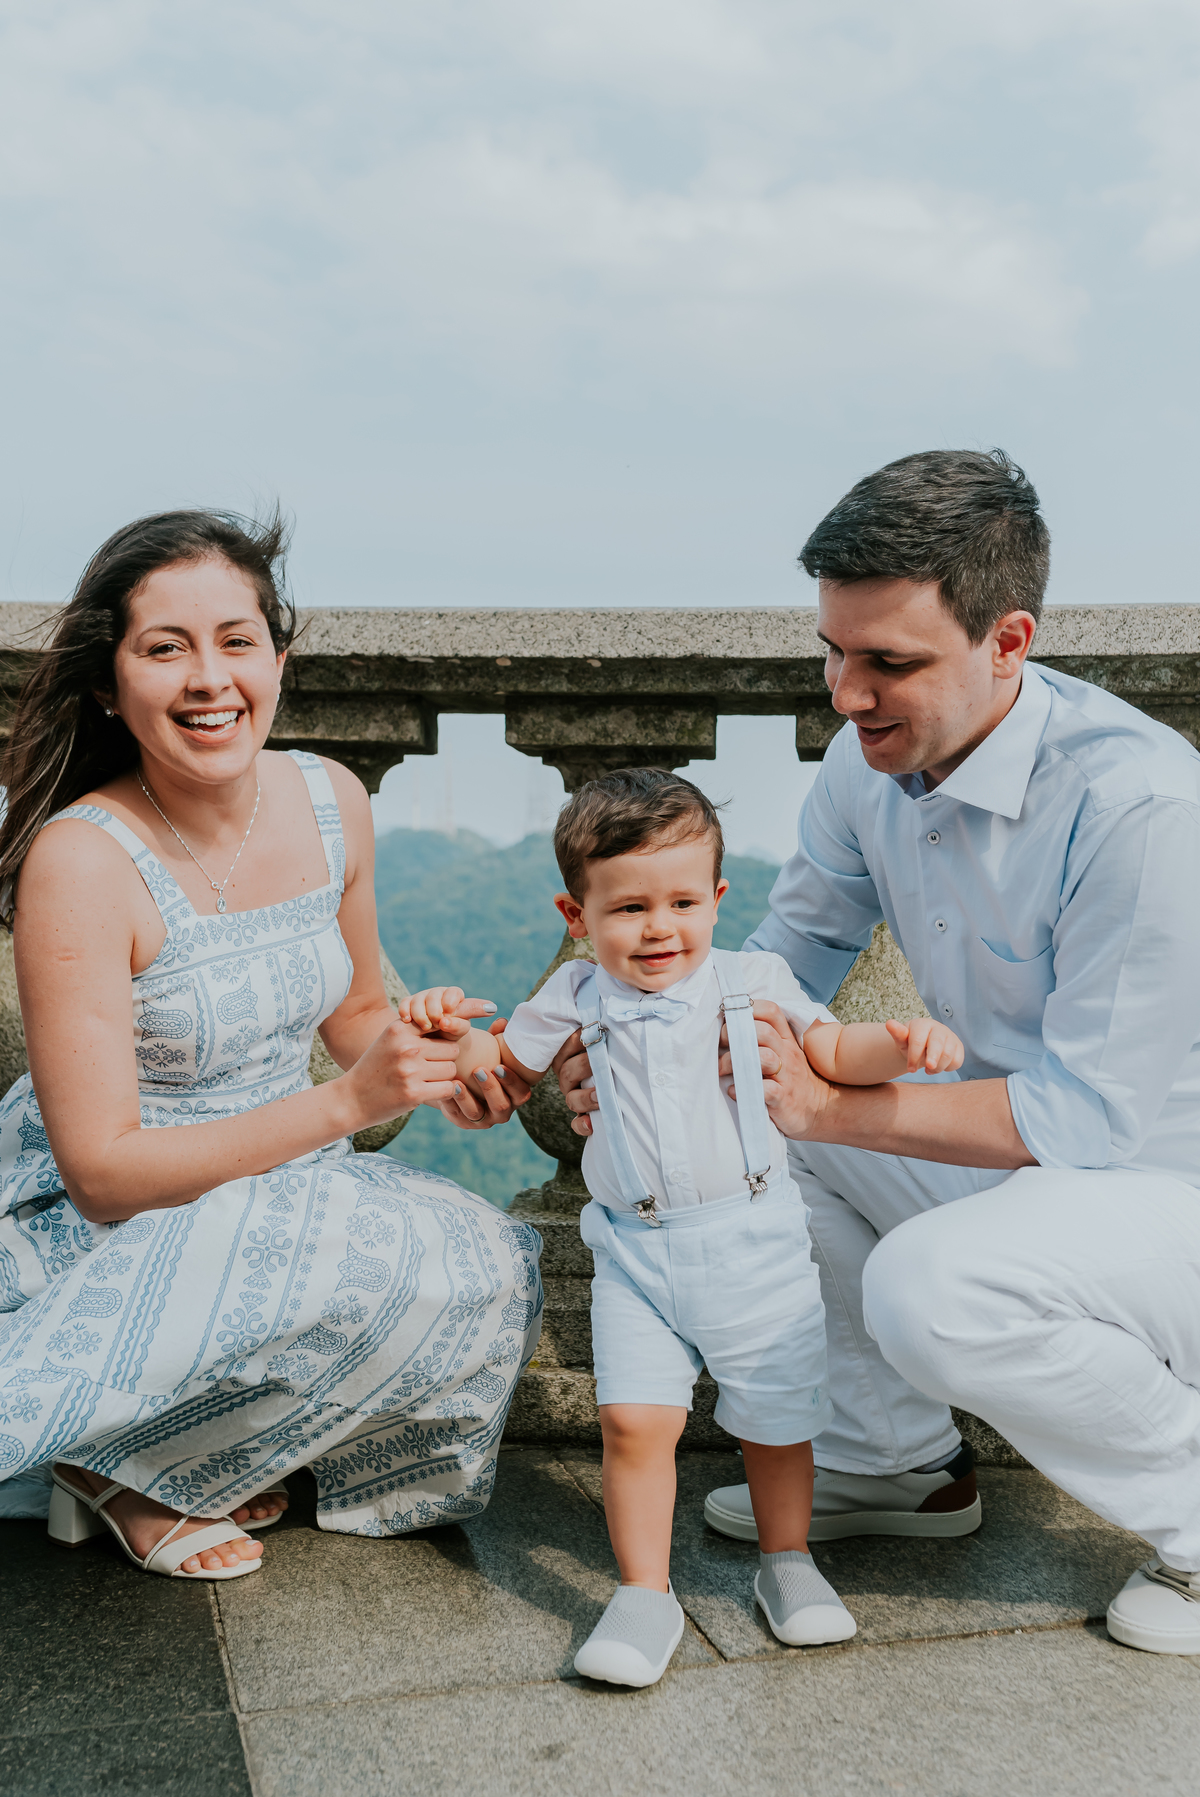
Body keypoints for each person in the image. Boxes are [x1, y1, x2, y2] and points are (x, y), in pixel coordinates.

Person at [558, 449, 1200, 1657]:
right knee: (744, 1128)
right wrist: (642, 1046)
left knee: (928, 1287)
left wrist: (824, 1108)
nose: (846, 696)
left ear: (1008, 641)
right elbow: (777, 967)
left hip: (1167, 1198)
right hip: (1025, 1167)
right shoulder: (868, 766)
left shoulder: (1142, 807)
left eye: (889, 663)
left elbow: (1087, 1124)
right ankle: (899, 1462)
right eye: (833, 653)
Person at [0, 509, 541, 1581]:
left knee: (483, 1260)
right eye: (166, 648)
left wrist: (447, 1060)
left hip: (288, 1181)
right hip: (119, 1213)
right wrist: (352, 1102)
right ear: (110, 684)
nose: (210, 679)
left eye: (236, 641)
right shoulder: (81, 861)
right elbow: (103, 1172)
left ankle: (192, 1443)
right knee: (272, 1256)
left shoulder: (332, 798)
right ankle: (117, 1465)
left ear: (278, 660)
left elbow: (357, 1013)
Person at [403, 768, 961, 1685]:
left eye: (683, 902)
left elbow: (833, 1048)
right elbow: (502, 1075)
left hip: (755, 1243)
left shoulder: (753, 980)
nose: (660, 927)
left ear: (718, 898)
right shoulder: (575, 994)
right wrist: (451, 1038)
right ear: (576, 915)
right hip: (634, 1252)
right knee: (632, 1421)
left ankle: (788, 1562)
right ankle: (643, 1591)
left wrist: (901, 1042)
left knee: (776, 1423)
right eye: (629, 908)